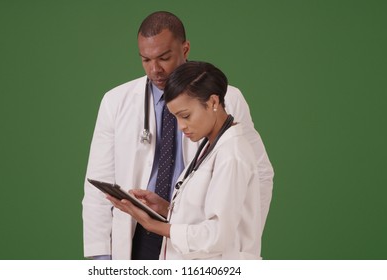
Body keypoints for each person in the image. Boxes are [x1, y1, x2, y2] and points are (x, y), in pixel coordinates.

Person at [82, 11, 273, 260]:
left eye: (164, 57)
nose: (155, 69)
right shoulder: (115, 101)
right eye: (146, 60)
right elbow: (98, 185)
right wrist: (101, 256)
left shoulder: (228, 99)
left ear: (185, 48)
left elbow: (260, 175)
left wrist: (240, 245)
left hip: (202, 240)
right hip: (139, 231)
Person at [107, 61, 262, 259]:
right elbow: (202, 214)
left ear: (214, 102)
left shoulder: (232, 154)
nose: (181, 126)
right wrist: (165, 209)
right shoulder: (210, 147)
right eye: (176, 118)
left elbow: (217, 235)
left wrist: (154, 225)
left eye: (186, 116)